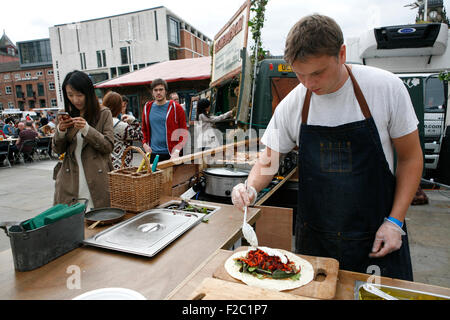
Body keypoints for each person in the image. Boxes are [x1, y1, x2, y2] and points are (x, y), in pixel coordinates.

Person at [231, 14, 423, 281]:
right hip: (316, 242)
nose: (309, 83)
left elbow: (411, 158)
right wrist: (250, 187)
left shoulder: (385, 88)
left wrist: (395, 221)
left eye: (318, 73)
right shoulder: (293, 104)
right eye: (300, 74)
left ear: (341, 54)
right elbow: (268, 160)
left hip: (377, 237)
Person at [52, 70, 114, 209]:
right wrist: (60, 131)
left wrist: (87, 129)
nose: (75, 100)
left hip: (96, 178)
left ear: (88, 93)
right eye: (70, 95)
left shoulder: (103, 113)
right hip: (69, 180)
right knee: (70, 223)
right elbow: (57, 149)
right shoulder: (64, 115)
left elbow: (108, 146)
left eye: (79, 95)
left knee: (99, 220)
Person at [141, 78, 188, 162]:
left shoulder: (176, 108)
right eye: (155, 90)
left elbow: (183, 132)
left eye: (161, 89)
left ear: (166, 91)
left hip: (172, 154)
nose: (158, 92)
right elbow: (144, 130)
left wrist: (177, 151)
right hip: (153, 153)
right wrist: (144, 143)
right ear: (152, 92)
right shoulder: (147, 108)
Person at [102, 91, 143, 170]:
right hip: (122, 168)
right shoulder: (121, 126)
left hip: (106, 166)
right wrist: (133, 121)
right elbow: (140, 135)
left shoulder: (102, 122)